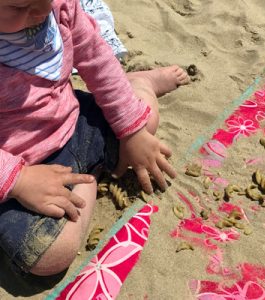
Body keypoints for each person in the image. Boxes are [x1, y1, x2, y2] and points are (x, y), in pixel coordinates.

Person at [0, 0, 189, 277]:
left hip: (75, 120)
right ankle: (90, 176)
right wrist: (18, 181)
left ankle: (140, 84)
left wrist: (132, 131)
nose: (41, 13)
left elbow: (97, 61)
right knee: (48, 254)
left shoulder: (58, 7)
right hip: (21, 164)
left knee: (144, 123)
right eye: (20, 7)